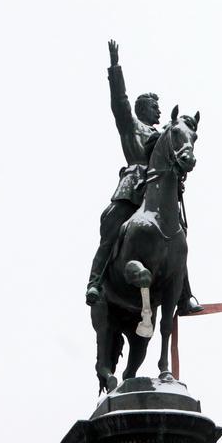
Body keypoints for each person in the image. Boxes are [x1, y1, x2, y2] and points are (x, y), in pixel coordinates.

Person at [85, 40, 202, 314]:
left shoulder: (163, 136)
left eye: (159, 108)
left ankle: (184, 295)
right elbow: (119, 101)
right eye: (153, 107)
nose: (158, 111)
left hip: (157, 192)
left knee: (178, 238)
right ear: (141, 109)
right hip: (132, 187)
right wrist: (115, 68)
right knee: (112, 224)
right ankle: (95, 281)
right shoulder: (130, 125)